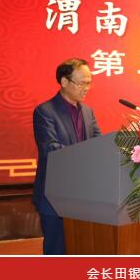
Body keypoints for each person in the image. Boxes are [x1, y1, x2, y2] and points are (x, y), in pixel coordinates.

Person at [32, 58, 102, 255]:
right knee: (57, 250)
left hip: (84, 195)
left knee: (82, 249)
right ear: (64, 81)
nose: (86, 88)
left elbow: (98, 145)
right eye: (82, 83)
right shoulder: (45, 112)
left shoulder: (88, 112)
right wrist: (87, 153)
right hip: (55, 194)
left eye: (89, 83)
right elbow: (51, 150)